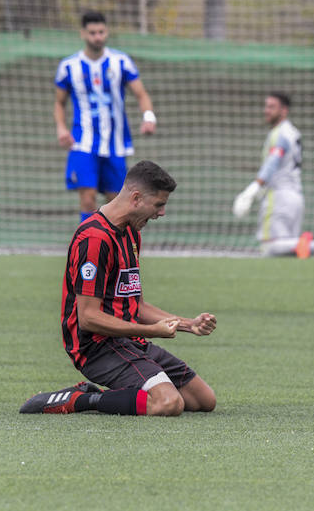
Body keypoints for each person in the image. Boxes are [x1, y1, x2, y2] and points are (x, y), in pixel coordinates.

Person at [20, 161, 217, 416]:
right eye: (159, 204)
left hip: (128, 341)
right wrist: (150, 331)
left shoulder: (131, 232)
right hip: (96, 347)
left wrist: (188, 324)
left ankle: (117, 394)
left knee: (202, 400)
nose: (162, 212)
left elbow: (139, 306)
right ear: (136, 198)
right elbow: (88, 318)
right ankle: (81, 399)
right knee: (168, 403)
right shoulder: (95, 238)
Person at [54, 11, 157, 222]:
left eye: (101, 32)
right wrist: (61, 128)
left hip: (115, 144)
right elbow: (59, 102)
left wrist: (149, 117)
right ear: (83, 33)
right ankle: (88, 252)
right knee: (88, 199)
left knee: (117, 202)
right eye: (92, 32)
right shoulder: (68, 67)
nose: (97, 37)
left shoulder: (121, 62)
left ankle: (115, 251)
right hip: (83, 142)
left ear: (106, 32)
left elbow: (141, 93)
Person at [232, 92, 314, 259]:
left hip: (278, 198)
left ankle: (310, 244)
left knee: (269, 248)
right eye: (266, 106)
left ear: (284, 110)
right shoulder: (294, 132)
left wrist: (253, 188)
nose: (266, 110)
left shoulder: (280, 134)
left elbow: (273, 161)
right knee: (289, 253)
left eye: (271, 107)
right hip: (296, 198)